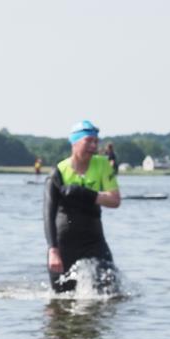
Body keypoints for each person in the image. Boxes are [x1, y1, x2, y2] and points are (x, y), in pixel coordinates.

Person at [44, 120, 122, 293]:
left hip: (94, 240)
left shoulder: (102, 165)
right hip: (65, 242)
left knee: (111, 292)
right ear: (75, 142)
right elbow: (48, 215)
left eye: (96, 141)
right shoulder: (58, 172)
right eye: (89, 141)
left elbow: (115, 201)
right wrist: (53, 250)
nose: (93, 146)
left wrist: (89, 194)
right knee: (60, 300)